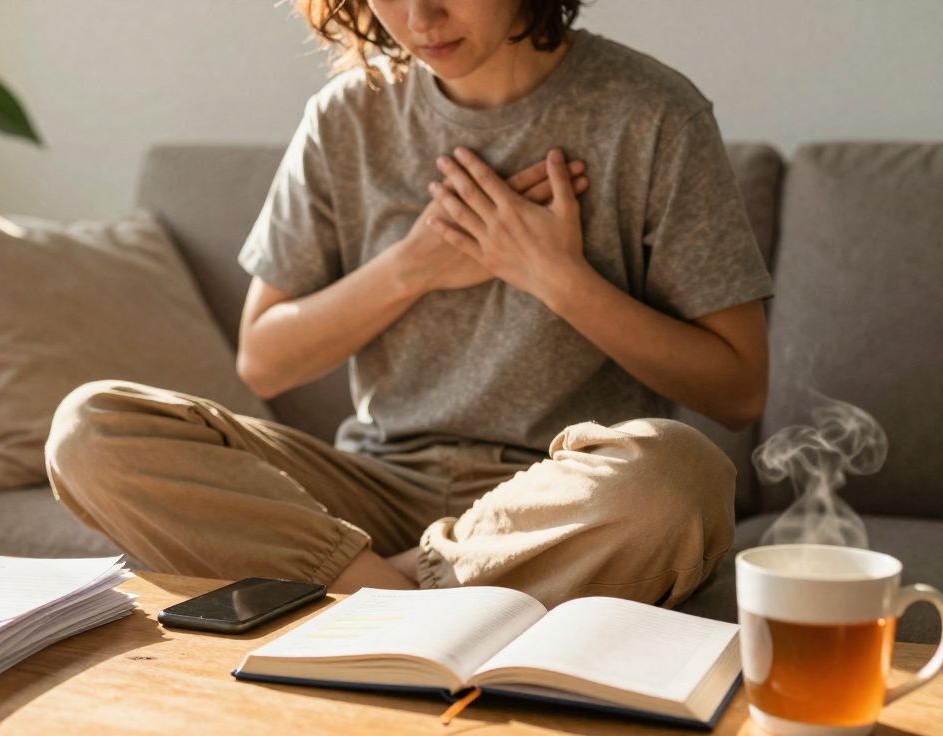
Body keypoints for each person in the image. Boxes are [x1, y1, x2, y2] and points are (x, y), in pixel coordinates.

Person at [46, 0, 773, 609]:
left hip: (557, 504)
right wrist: (414, 266)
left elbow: (738, 389)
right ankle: (409, 598)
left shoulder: (652, 114)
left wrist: (558, 278)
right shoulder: (345, 117)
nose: (419, 17)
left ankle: (362, 595)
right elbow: (263, 359)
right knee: (89, 428)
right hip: (372, 487)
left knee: (683, 476)